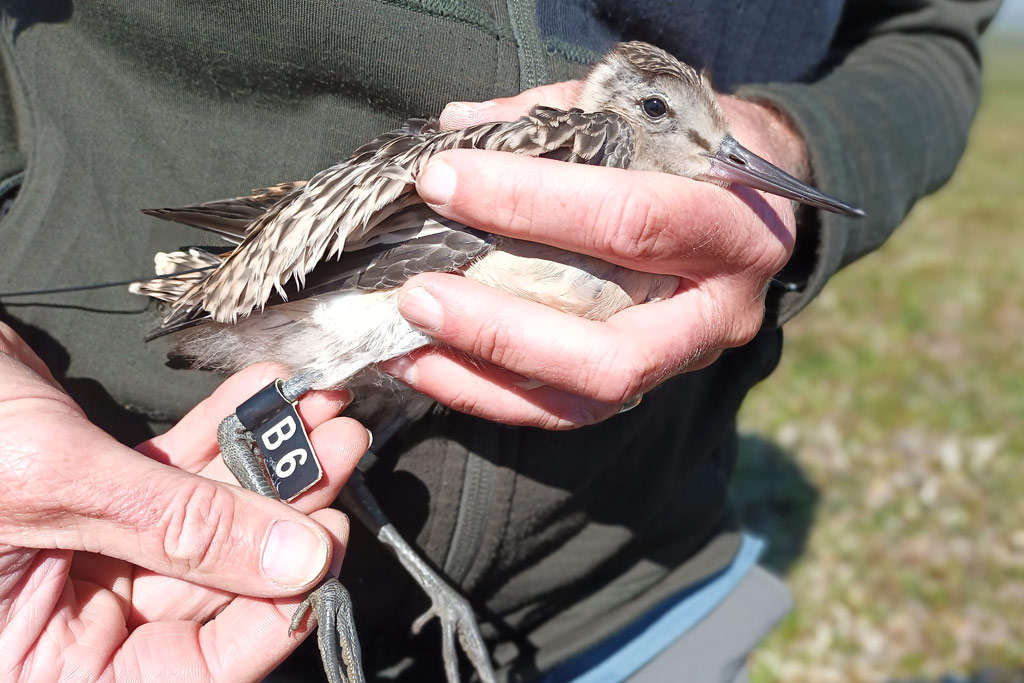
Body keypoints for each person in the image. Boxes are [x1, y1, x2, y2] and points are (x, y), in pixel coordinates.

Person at [0, 1, 999, 681]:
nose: (721, 158)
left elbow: (927, 27)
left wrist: (797, 148)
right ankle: (325, 589)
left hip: (639, 598)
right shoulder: (587, 137)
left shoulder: (667, 158)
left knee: (350, 425)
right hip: (102, 605)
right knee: (312, 413)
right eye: (667, 118)